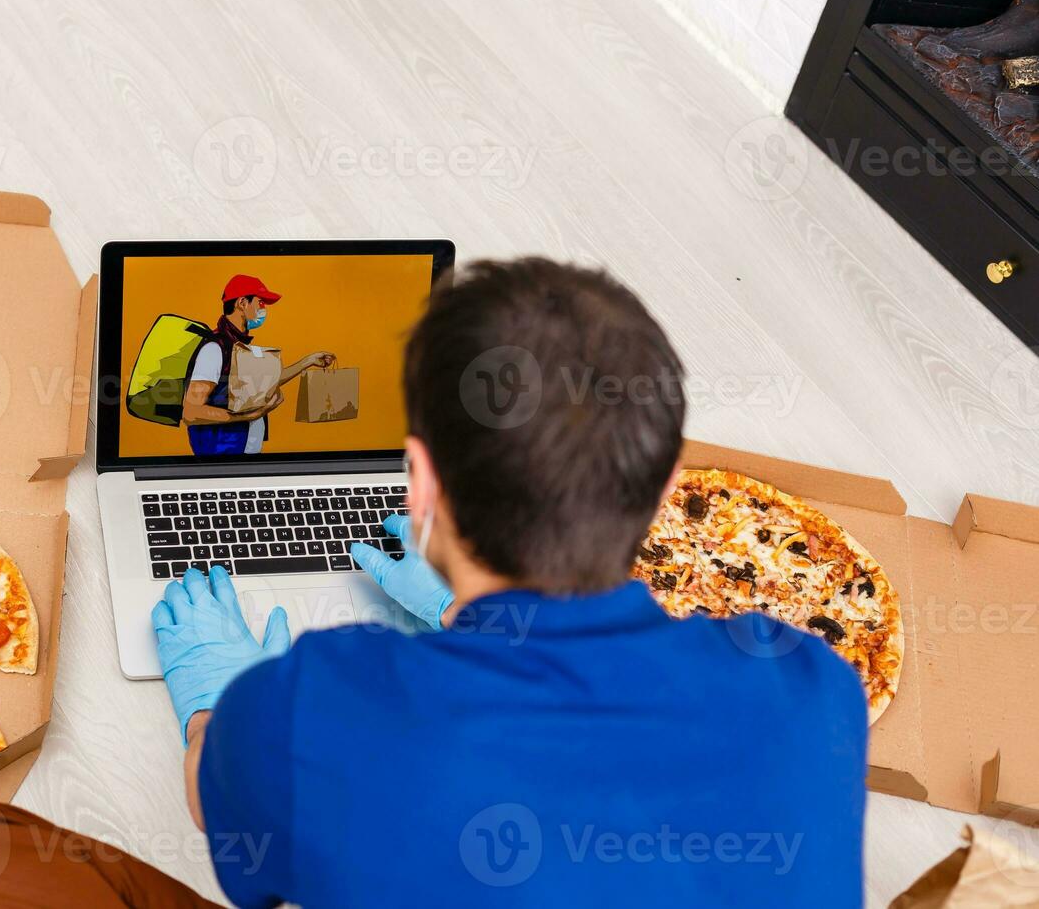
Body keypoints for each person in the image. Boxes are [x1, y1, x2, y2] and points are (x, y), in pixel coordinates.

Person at [150, 257, 868, 906]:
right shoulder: (817, 691)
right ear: (665, 492)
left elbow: (214, 801)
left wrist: (219, 698)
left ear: (420, 482)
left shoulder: (312, 714)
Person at [181, 274, 334, 456]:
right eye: (260, 303)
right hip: (222, 458)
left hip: (243, 456)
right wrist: (251, 415)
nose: (263, 310)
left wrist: (308, 361)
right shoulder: (215, 349)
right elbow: (191, 412)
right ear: (242, 303)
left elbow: (263, 384)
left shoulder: (238, 346)